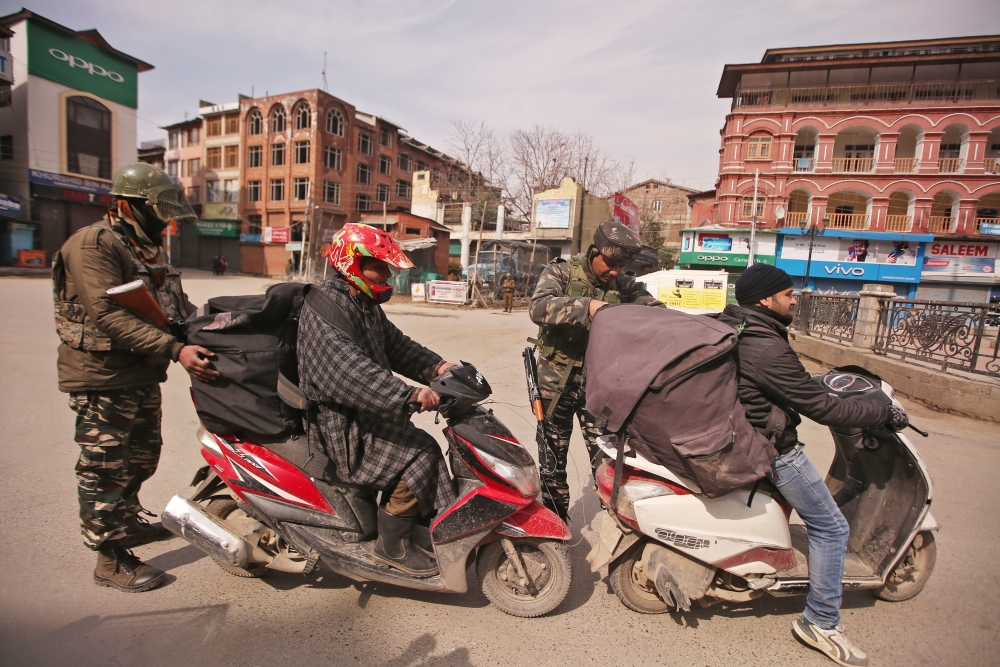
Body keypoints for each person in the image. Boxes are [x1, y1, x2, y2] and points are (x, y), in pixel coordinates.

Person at [717, 263, 908, 667]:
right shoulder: (768, 347)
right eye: (788, 294)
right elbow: (824, 410)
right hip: (773, 449)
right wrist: (881, 412)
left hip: (740, 435)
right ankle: (820, 621)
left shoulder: (738, 325)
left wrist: (818, 381)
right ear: (766, 300)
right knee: (832, 526)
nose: (795, 299)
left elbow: (795, 385)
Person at [53, 163, 220, 593]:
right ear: (129, 205)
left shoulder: (145, 247)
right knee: (103, 466)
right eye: (158, 210)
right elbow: (106, 314)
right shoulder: (94, 244)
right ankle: (108, 557)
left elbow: (176, 307)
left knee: (142, 456)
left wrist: (218, 328)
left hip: (140, 371)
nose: (164, 221)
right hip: (101, 374)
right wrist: (174, 349)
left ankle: (126, 521)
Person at [297, 223, 458, 578]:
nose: (386, 274)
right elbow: (348, 371)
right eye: (380, 266)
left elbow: (397, 346)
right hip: (340, 429)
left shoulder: (363, 302)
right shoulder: (324, 308)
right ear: (352, 264)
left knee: (423, 445)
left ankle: (414, 524)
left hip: (365, 415)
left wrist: (438, 367)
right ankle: (392, 547)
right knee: (421, 452)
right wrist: (409, 394)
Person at [528, 220, 664, 519]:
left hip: (600, 390)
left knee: (610, 463)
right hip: (555, 387)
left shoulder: (625, 285)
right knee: (552, 464)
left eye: (622, 265)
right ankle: (555, 526)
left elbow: (656, 312)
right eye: (612, 263)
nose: (615, 271)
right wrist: (587, 306)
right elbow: (538, 308)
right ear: (595, 252)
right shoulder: (561, 272)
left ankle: (613, 525)